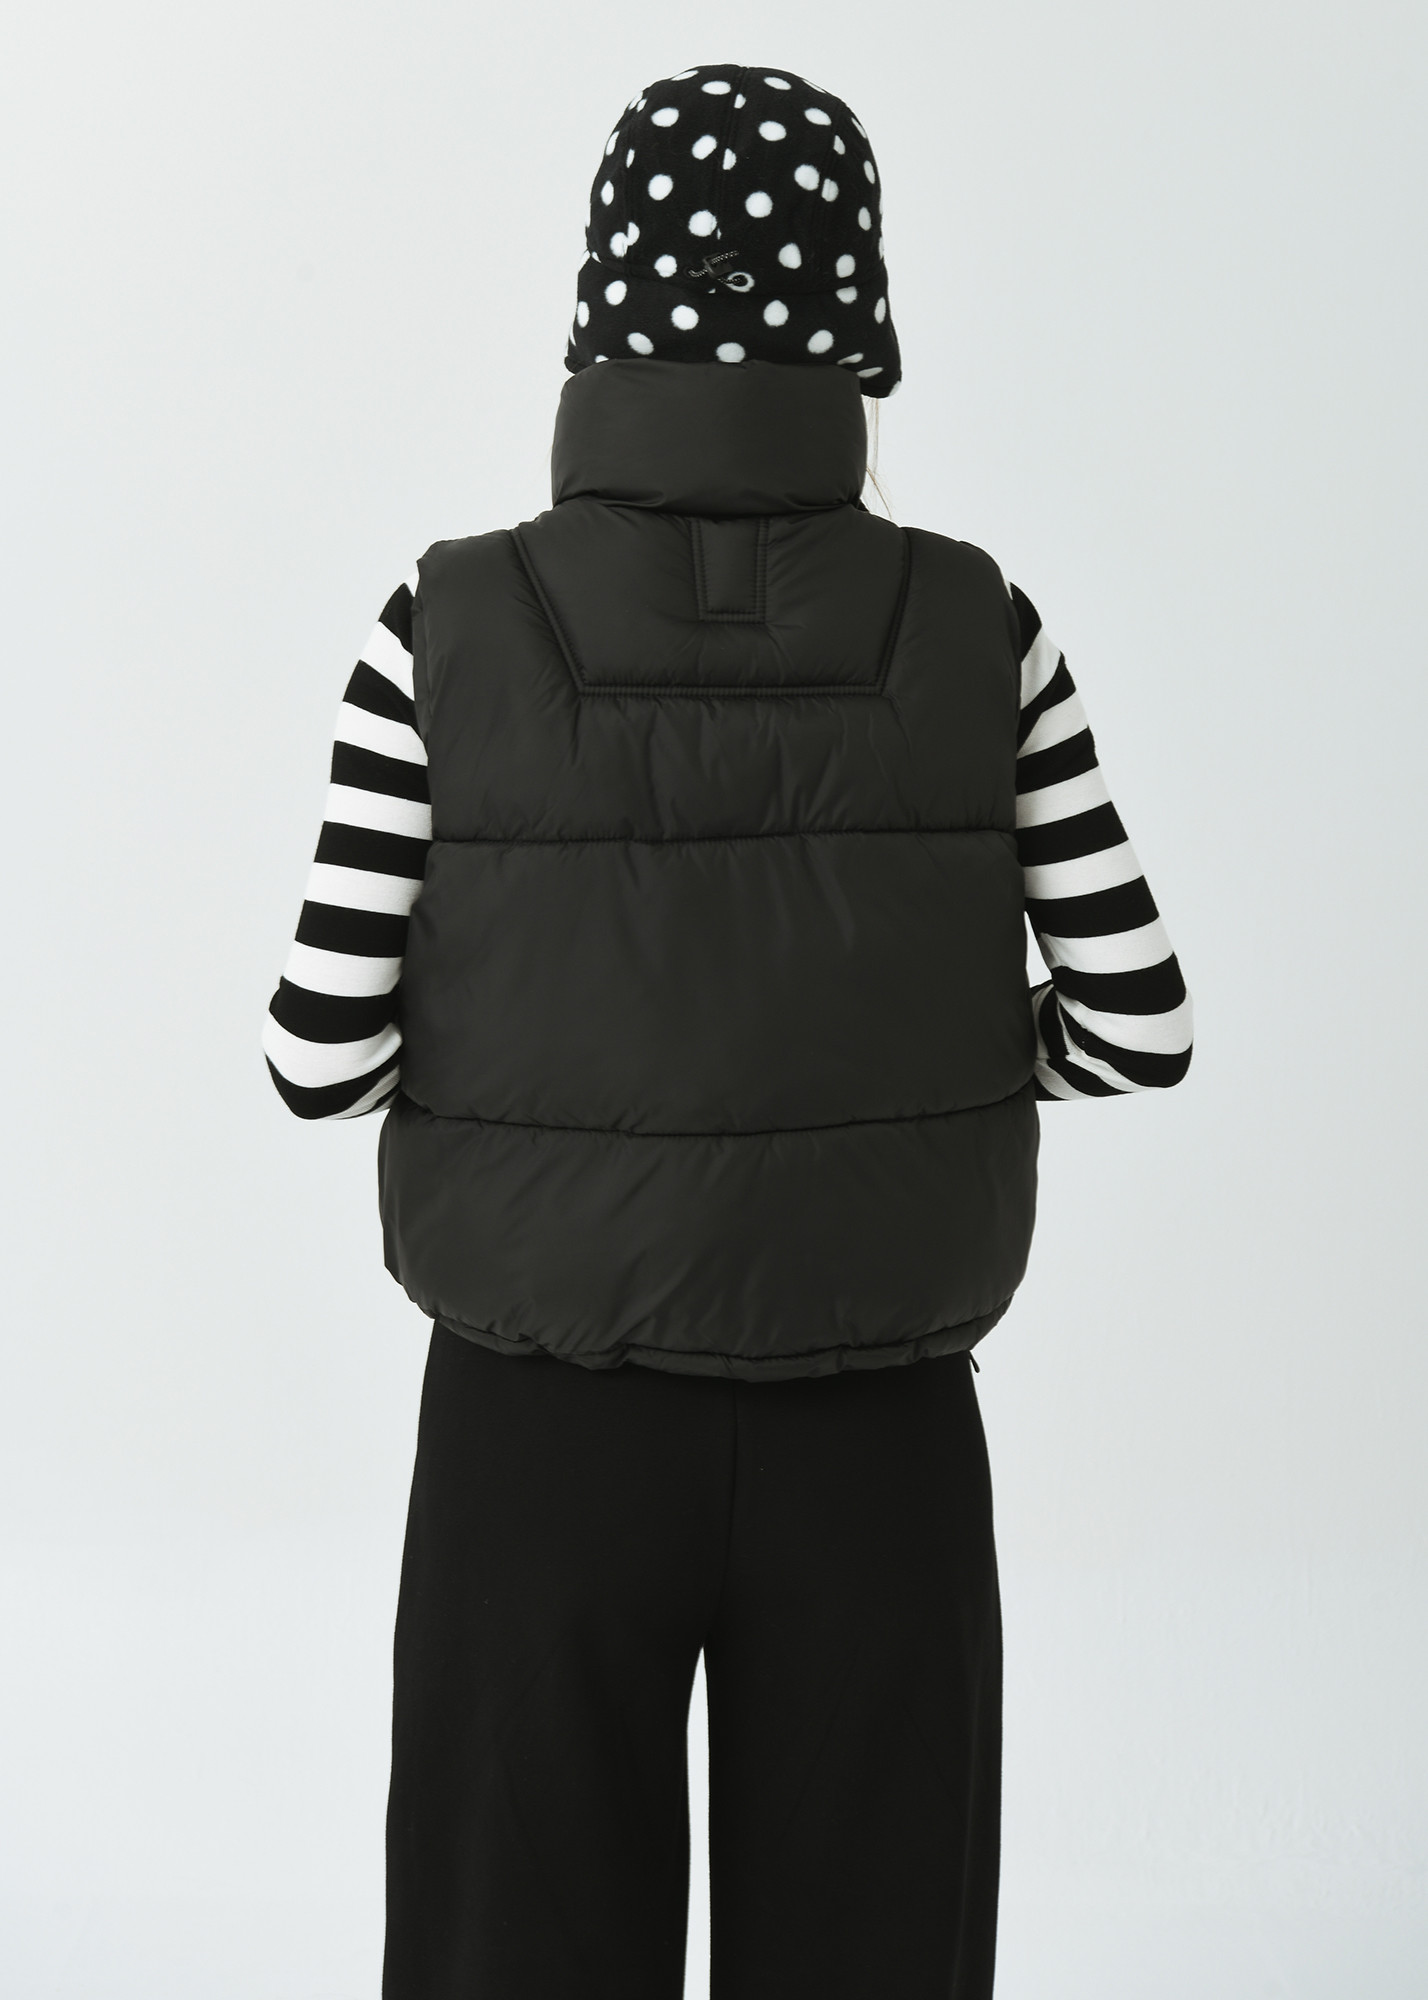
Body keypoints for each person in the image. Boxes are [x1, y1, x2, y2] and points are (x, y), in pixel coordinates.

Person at [264, 60, 1192, 2000]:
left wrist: (548, 1071)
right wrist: (926, 1075)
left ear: (600, 302)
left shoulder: (442, 625)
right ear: (861, 320)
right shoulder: (984, 626)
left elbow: (318, 1055)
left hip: (539, 1419)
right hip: (881, 1419)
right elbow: (1139, 1018)